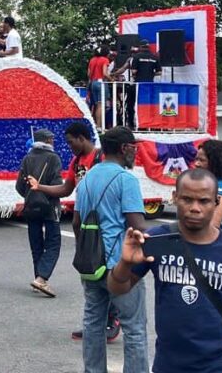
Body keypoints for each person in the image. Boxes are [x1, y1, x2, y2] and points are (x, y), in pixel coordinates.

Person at [108, 168, 222, 373]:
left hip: (219, 365)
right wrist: (125, 263)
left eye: (204, 201)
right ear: (175, 198)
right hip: (168, 364)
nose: (195, 208)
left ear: (216, 202)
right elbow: (117, 288)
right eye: (187, 199)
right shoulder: (157, 240)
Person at [31, 122, 119, 341]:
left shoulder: (101, 158)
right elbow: (66, 189)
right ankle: (95, 324)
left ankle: (113, 320)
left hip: (103, 224)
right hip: (85, 226)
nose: (69, 147)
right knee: (90, 276)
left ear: (82, 138)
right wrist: (40, 187)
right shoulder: (76, 162)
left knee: (107, 273)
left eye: (71, 142)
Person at [73, 126, 149, 373]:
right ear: (124, 148)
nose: (135, 153)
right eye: (134, 148)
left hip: (91, 265)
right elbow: (137, 226)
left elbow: (76, 222)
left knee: (93, 324)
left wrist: (87, 252)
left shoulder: (86, 179)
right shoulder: (126, 180)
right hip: (119, 266)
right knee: (134, 328)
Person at [16, 129, 63, 297]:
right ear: (47, 141)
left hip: (31, 206)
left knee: (36, 244)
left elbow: (19, 186)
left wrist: (31, 196)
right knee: (53, 243)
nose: (54, 141)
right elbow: (57, 183)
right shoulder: (53, 158)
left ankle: (38, 278)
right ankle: (42, 278)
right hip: (50, 206)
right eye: (52, 139)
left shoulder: (27, 158)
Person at [194, 140, 222, 236]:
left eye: (201, 160)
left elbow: (212, 227)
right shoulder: (210, 185)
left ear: (215, 163)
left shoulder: (219, 190)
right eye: (196, 159)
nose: (196, 164)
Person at [127, 41, 160, 129]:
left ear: (140, 47)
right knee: (149, 105)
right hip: (149, 85)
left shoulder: (136, 57)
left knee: (132, 104)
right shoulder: (155, 57)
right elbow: (159, 72)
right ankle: (149, 124)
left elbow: (134, 71)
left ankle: (131, 124)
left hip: (138, 85)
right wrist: (150, 74)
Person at [87, 46, 111, 127]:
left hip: (93, 82)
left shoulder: (92, 60)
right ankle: (100, 125)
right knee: (101, 105)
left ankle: (97, 125)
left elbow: (89, 74)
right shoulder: (105, 60)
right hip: (101, 83)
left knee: (97, 104)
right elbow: (104, 73)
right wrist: (111, 79)